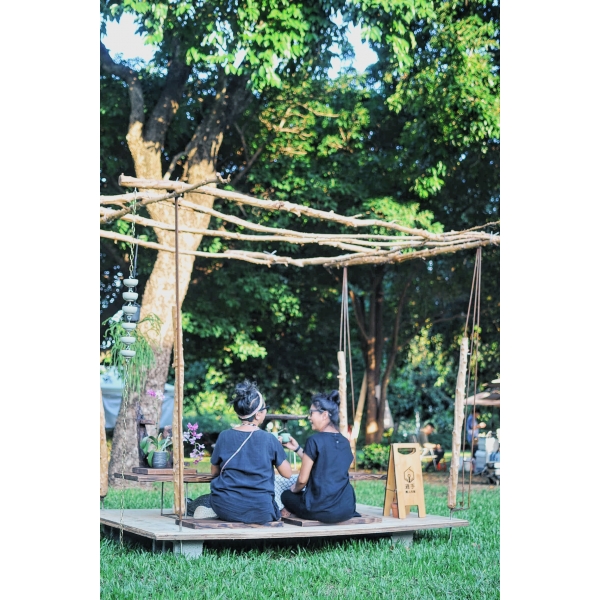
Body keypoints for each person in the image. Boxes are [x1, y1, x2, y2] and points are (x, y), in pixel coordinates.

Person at [189, 380, 292, 524]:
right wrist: (278, 448)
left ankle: (202, 508)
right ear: (258, 415)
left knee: (202, 500)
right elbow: (287, 473)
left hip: (227, 507)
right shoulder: (270, 439)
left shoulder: (224, 436)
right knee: (273, 506)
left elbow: (214, 472)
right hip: (262, 512)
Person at [279, 390, 360, 523]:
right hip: (346, 508)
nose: (309, 417)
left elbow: (302, 480)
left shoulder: (314, 440)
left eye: (311, 413)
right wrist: (297, 449)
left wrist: (293, 489)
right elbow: (323, 462)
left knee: (286, 495)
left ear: (324, 415)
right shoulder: (345, 442)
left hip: (320, 509)